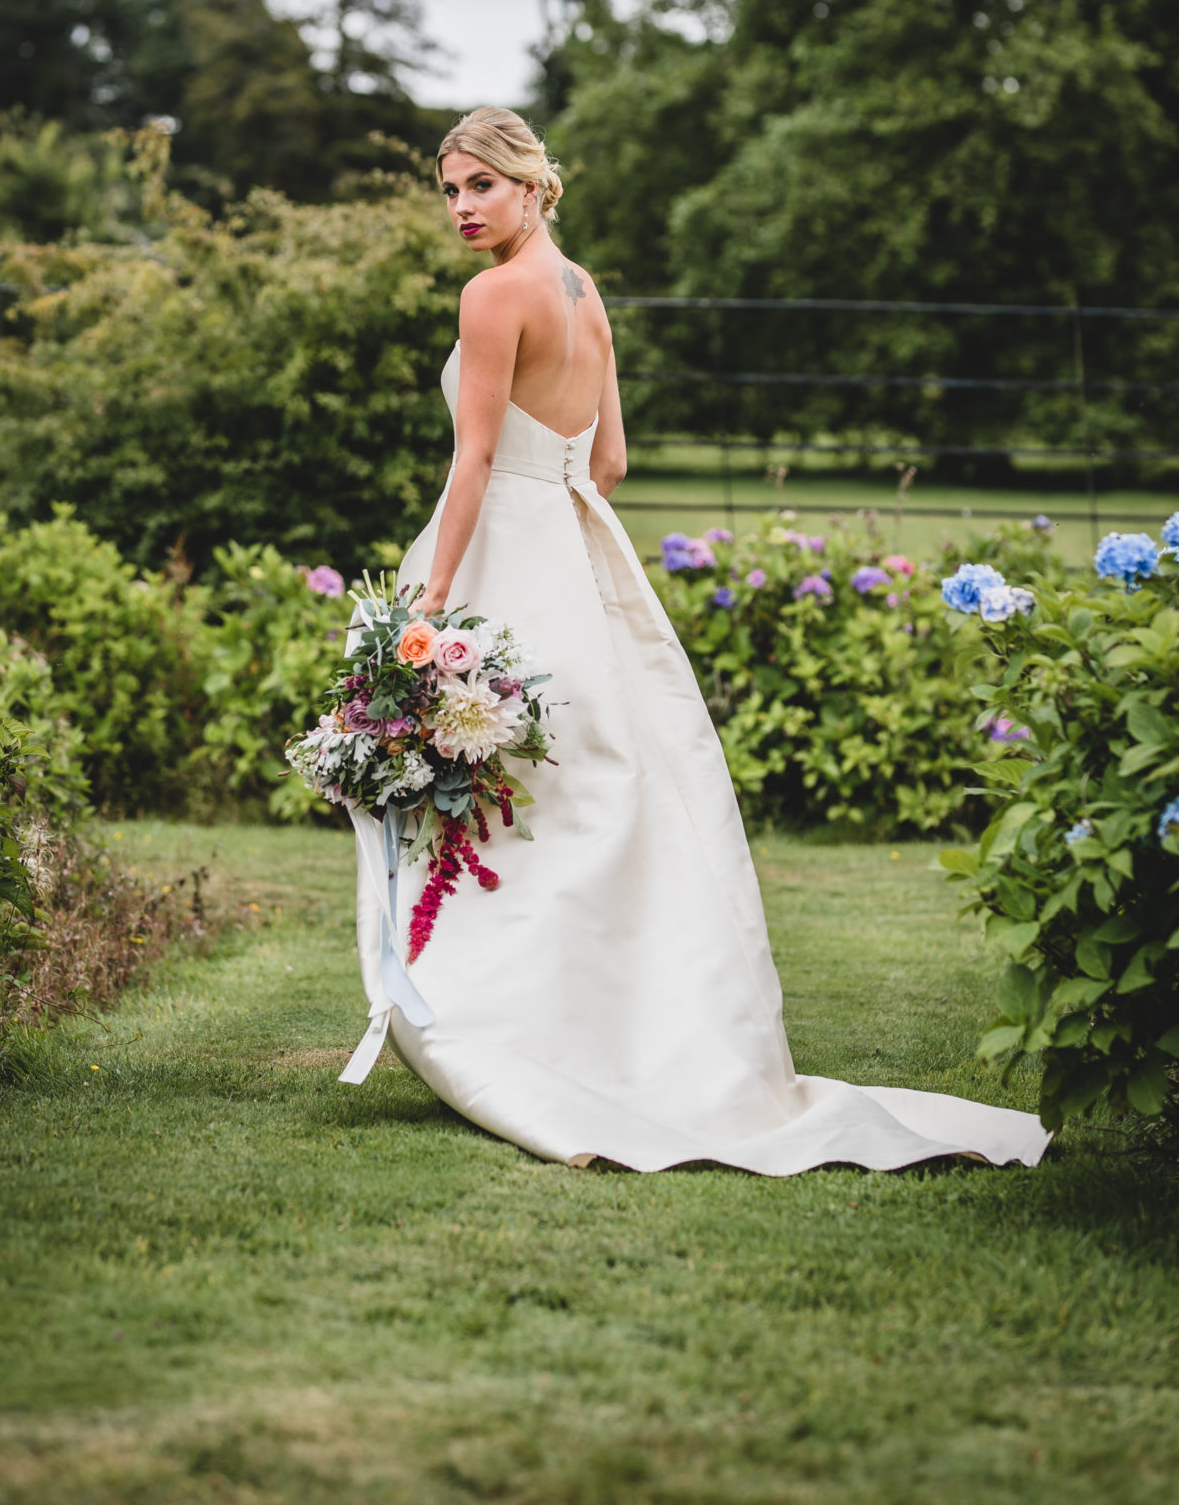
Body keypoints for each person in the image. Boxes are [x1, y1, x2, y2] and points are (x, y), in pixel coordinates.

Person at [346, 105, 1049, 1174]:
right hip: (581, 549)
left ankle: (525, 1035)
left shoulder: (493, 297)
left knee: (523, 799)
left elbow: (474, 463)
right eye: (447, 191)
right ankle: (636, 1035)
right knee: (603, 791)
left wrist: (432, 608)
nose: (459, 209)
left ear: (530, 183)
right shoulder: (585, 293)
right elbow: (612, 459)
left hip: (505, 557)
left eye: (478, 186)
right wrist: (562, 504)